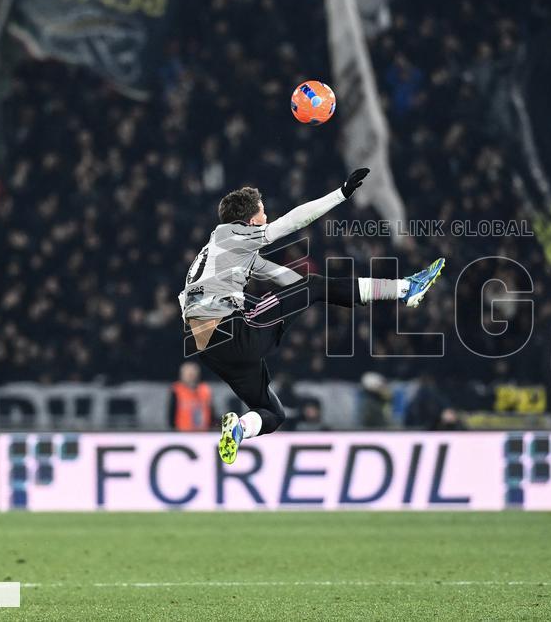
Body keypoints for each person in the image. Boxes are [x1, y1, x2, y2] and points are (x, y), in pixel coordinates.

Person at [178, 168, 445, 464]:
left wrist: (322, 295)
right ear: (250, 219)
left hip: (210, 347)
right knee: (314, 284)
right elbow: (292, 223)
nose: (266, 217)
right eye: (263, 213)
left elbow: (291, 281)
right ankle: (406, 288)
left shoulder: (230, 252)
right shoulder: (231, 234)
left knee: (273, 414)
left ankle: (239, 428)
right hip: (228, 330)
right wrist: (340, 194)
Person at [168, 362, 212, 431]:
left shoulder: (205, 390)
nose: (191, 376)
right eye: (188, 374)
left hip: (204, 434)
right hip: (182, 432)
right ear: (182, 375)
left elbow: (211, 412)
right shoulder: (176, 390)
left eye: (193, 373)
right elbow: (171, 414)